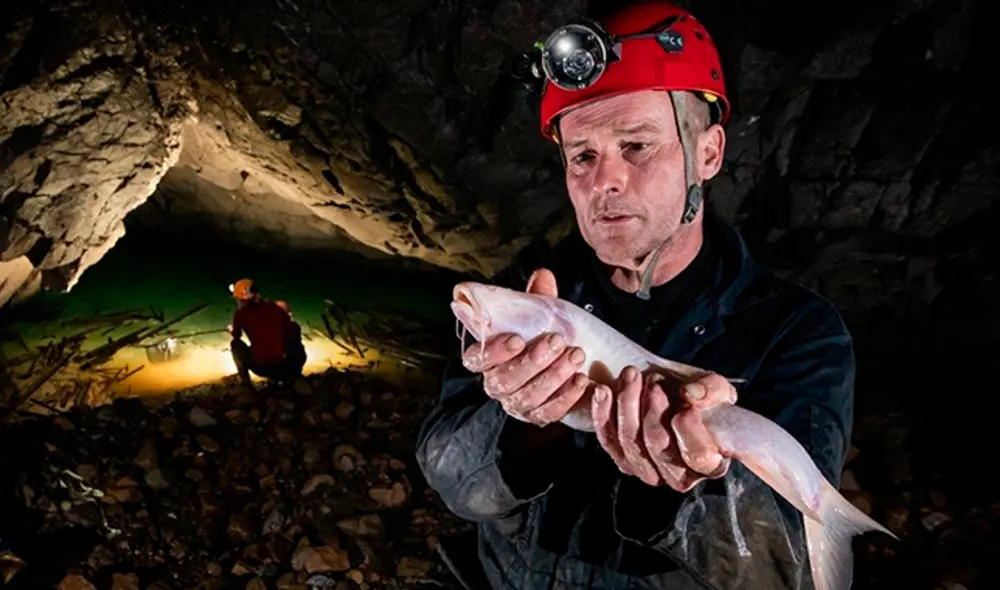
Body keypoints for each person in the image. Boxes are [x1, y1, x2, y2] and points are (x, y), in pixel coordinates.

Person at [414, 3, 855, 589]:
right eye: (583, 156)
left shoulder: (798, 331)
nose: (605, 180)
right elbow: (448, 480)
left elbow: (782, 567)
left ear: (709, 154)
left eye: (638, 146)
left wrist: (684, 492)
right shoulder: (524, 289)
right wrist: (522, 426)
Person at [227, 278, 307, 388]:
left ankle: (245, 383)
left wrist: (231, 330)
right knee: (289, 337)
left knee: (235, 344)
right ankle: (291, 376)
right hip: (287, 365)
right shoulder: (275, 308)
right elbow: (291, 329)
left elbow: (237, 335)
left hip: (262, 368)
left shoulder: (240, 314)